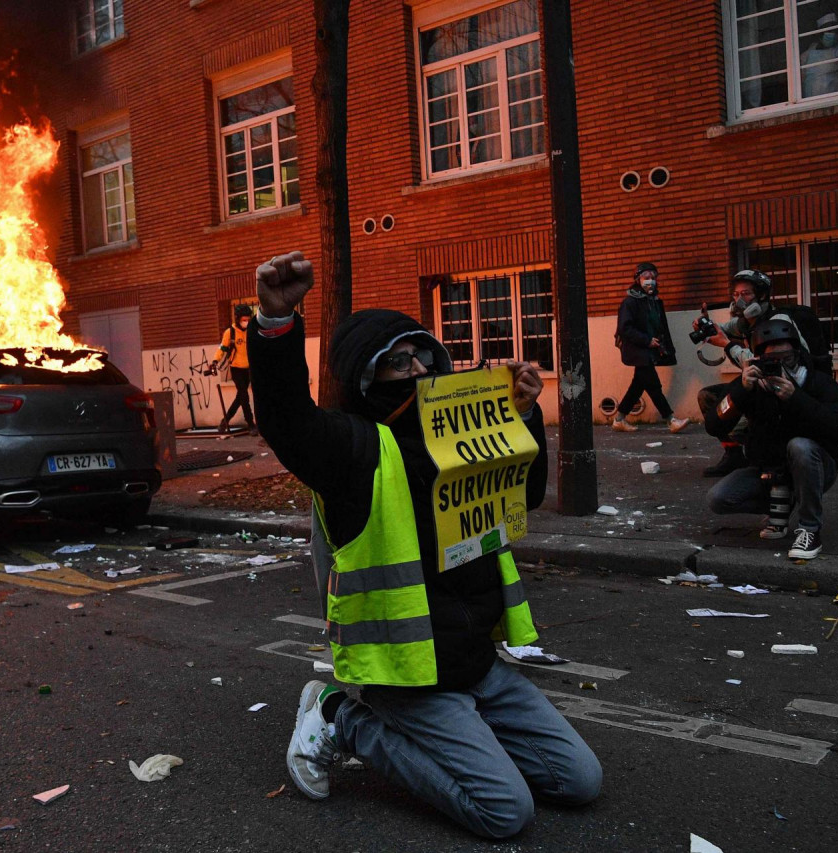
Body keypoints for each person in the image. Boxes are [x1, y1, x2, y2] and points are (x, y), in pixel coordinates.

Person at [248, 250, 600, 840]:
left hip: (478, 667)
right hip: (409, 677)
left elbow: (527, 492)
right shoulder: (355, 449)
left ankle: (467, 736)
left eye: (422, 356)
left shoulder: (464, 432)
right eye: (396, 364)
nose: (416, 370)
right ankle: (343, 720)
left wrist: (525, 415)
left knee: (580, 782)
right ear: (365, 380)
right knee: (505, 812)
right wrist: (277, 324)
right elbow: (287, 418)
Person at [703, 317, 838, 560]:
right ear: (759, 359)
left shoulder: (816, 381)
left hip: (814, 467)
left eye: (788, 358)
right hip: (769, 472)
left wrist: (796, 399)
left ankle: (809, 529)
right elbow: (713, 424)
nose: (781, 366)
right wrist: (741, 391)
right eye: (773, 361)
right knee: (719, 499)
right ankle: (784, 502)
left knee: (800, 446)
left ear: (798, 353)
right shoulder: (751, 384)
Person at [694, 268, 827, 477]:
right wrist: (707, 325)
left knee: (750, 413)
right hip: (761, 385)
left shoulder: (778, 321)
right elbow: (725, 328)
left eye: (745, 294)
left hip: (785, 387)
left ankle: (764, 454)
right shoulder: (747, 322)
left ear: (762, 295)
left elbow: (762, 362)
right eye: (736, 295)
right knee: (710, 398)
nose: (739, 300)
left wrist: (728, 345)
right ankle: (734, 454)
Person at [612, 262, 688, 433]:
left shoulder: (654, 302)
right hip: (638, 350)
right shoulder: (630, 302)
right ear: (638, 279)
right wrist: (646, 340)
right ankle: (670, 419)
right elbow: (625, 328)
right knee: (653, 385)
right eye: (646, 277)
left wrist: (664, 346)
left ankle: (619, 419)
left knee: (638, 385)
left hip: (649, 349)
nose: (651, 281)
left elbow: (661, 326)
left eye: (653, 277)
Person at [208, 303, 255, 435]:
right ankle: (251, 424)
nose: (246, 322)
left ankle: (225, 421)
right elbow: (222, 348)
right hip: (236, 369)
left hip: (249, 369)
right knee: (244, 396)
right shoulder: (231, 332)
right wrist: (214, 361)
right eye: (243, 320)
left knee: (240, 397)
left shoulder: (251, 330)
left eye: (248, 319)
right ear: (238, 319)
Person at [801, 13, 838, 98]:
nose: (833, 34)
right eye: (829, 31)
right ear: (820, 33)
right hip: (809, 101)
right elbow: (802, 78)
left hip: (833, 100)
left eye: (835, 31)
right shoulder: (808, 53)